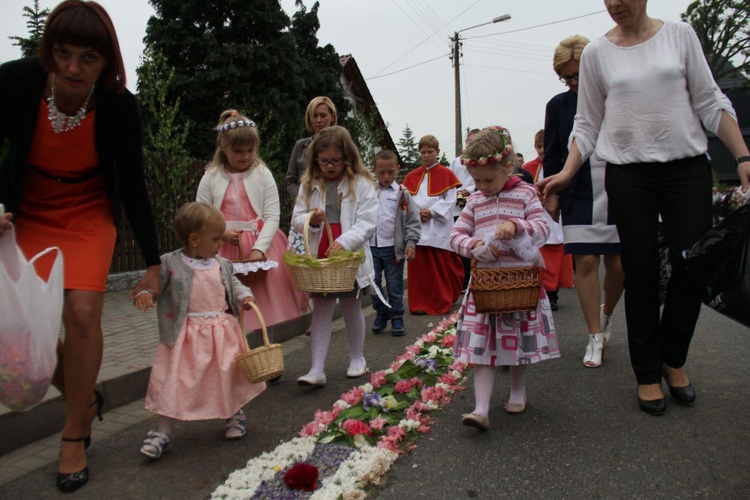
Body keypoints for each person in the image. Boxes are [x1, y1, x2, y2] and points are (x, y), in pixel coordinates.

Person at [539, 0, 750, 415]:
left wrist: (743, 157)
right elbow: (588, 122)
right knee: (641, 269)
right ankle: (648, 372)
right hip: (628, 172)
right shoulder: (599, 51)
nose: (616, 3)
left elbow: (710, 100)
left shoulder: (679, 36)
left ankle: (674, 360)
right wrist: (565, 173)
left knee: (691, 267)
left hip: (685, 167)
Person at [0, 1, 160, 492]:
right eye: (63, 53)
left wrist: (153, 262)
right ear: (48, 50)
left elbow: (133, 184)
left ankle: (74, 434)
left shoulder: (119, 106)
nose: (72, 67)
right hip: (26, 213)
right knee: (32, 332)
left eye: (88, 58)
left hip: (88, 213)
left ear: (107, 62)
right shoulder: (14, 82)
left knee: (84, 311)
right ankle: (84, 396)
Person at [134, 202, 265, 459]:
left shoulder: (221, 263)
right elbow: (153, 283)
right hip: (185, 336)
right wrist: (146, 293)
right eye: (216, 238)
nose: (220, 244)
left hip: (221, 332)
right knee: (173, 381)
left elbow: (234, 284)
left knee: (226, 375)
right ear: (194, 239)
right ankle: (163, 430)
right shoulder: (169, 263)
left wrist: (244, 297)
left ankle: (233, 414)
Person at [450, 126, 559, 430]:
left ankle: (517, 390)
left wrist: (517, 224)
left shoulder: (525, 194)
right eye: (477, 180)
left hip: (519, 283)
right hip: (485, 286)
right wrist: (475, 247)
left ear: (506, 167)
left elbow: (543, 227)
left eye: (488, 179)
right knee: (481, 349)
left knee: (517, 343)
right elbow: (455, 236)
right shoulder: (474, 201)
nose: (482, 186)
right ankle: (481, 409)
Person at [543, 34, 625, 369]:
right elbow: (552, 154)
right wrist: (552, 194)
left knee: (620, 266)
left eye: (577, 74)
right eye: (566, 77)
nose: (573, 82)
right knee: (586, 264)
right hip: (577, 190)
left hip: (621, 187)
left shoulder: (617, 95)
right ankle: (594, 336)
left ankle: (606, 313)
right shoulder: (557, 106)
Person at [196, 109, 308, 338]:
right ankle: (234, 351)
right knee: (229, 304)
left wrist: (259, 249)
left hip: (262, 247)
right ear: (222, 146)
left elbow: (272, 215)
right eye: (238, 151)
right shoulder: (211, 176)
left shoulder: (262, 173)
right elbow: (202, 213)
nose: (245, 156)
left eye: (250, 150)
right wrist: (221, 233)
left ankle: (266, 350)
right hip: (224, 249)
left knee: (265, 305)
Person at [291, 126, 379, 387]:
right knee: (320, 309)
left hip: (348, 255)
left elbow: (367, 223)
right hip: (321, 254)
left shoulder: (361, 184)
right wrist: (311, 219)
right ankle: (316, 368)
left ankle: (357, 358)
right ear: (315, 159)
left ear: (347, 158)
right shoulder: (309, 184)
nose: (329, 166)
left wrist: (343, 242)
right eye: (324, 161)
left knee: (352, 305)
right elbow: (296, 218)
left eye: (335, 161)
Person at [402, 134, 464, 315]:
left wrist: (432, 212)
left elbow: (450, 199)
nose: (426, 155)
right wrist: (415, 213)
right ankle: (419, 303)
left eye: (430, 151)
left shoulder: (446, 174)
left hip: (437, 226)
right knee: (420, 268)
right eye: (423, 152)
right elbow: (407, 198)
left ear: (437, 152)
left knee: (440, 266)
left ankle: (439, 301)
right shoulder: (413, 176)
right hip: (418, 225)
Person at [369, 149, 421, 336]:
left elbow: (412, 220)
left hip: (393, 249)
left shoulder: (402, 193)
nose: (386, 176)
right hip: (371, 247)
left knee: (394, 284)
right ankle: (381, 312)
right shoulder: (369, 192)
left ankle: (397, 316)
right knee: (372, 283)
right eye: (381, 172)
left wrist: (410, 243)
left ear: (397, 169)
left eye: (390, 172)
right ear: (374, 170)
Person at [522, 129, 574, 312]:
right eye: (538, 146)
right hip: (537, 217)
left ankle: (553, 295)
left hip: (556, 217)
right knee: (540, 257)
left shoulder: (564, 165)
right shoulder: (528, 168)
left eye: (545, 146)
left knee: (557, 257)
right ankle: (539, 292)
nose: (542, 150)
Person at [284, 96, 338, 253]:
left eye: (323, 115)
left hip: (333, 212)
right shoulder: (301, 146)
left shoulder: (341, 144)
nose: (318, 120)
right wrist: (303, 198)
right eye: (314, 116)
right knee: (303, 267)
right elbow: (290, 179)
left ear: (332, 117)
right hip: (305, 216)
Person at [450, 128, 480, 291]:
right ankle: (462, 281)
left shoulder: (483, 161)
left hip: (473, 202)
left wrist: (469, 190)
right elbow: (451, 180)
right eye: (470, 141)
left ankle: (473, 279)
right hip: (457, 206)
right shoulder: (456, 162)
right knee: (459, 244)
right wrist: (457, 192)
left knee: (474, 243)